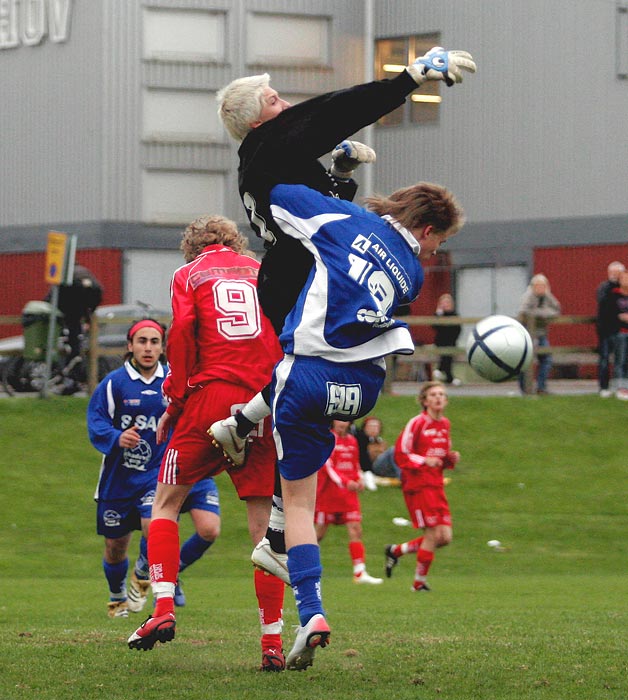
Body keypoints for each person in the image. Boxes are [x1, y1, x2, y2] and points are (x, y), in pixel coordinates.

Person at [210, 46, 476, 599]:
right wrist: (406, 79)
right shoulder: (265, 146)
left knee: (307, 400)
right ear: (257, 119)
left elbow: (326, 205)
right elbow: (331, 113)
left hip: (296, 279)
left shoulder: (272, 156)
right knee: (319, 403)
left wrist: (341, 173)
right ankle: (277, 528)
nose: (286, 105)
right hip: (297, 286)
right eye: (275, 99)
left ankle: (240, 431)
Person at [265, 179, 465, 669]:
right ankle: (284, 566)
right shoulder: (412, 276)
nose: (436, 250)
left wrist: (332, 189)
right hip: (359, 391)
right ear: (426, 228)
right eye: (440, 240)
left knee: (296, 502)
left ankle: (308, 607)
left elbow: (279, 194)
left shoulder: (347, 220)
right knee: (302, 486)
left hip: (307, 372)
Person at [127, 216, 287, 674]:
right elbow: (278, 330)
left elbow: (181, 334)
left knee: (165, 502)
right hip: (261, 398)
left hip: (210, 394)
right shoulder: (260, 270)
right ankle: (272, 641)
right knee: (263, 526)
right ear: (235, 242)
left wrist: (174, 402)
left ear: (191, 247)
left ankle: (162, 608)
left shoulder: (189, 273)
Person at [87, 320, 220, 619]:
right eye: (142, 341)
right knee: (115, 547)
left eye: (155, 342)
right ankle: (117, 596)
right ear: (130, 345)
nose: (148, 348)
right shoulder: (113, 384)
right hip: (120, 477)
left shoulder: (174, 380)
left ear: (163, 347)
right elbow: (96, 422)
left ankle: (151, 571)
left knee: (160, 523)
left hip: (160, 471)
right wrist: (116, 437)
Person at [384, 381, 460, 591]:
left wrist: (450, 459)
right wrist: (424, 461)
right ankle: (419, 582)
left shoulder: (445, 424)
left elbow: (441, 457)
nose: (438, 398)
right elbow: (402, 453)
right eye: (433, 394)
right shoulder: (418, 423)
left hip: (436, 484)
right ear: (425, 400)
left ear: (446, 401)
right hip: (418, 485)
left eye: (441, 395)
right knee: (432, 533)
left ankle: (396, 551)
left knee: (444, 538)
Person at [315, 420, 383, 585]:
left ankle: (359, 572)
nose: (342, 423)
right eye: (338, 419)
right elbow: (328, 465)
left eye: (345, 420)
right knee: (317, 534)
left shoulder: (352, 440)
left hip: (348, 495)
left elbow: (355, 463)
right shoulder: (328, 438)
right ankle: (298, 566)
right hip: (329, 493)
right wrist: (346, 482)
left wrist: (359, 478)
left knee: (355, 529)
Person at [517, 274, 561, 395]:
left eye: (543, 285)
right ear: (533, 286)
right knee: (525, 361)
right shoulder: (528, 296)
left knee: (546, 359)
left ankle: (541, 387)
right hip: (526, 334)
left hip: (541, 334)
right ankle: (524, 389)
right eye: (538, 285)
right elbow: (524, 311)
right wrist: (543, 313)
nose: (541, 288)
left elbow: (557, 309)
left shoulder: (547, 296)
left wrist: (542, 313)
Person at [596, 261, 625, 397]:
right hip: (606, 329)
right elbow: (604, 303)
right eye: (612, 273)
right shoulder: (605, 288)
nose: (614, 275)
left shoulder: (624, 289)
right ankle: (604, 387)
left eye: (617, 273)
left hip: (621, 330)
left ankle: (620, 387)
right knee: (604, 359)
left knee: (621, 360)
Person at [350, 416, 387, 491]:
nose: (373, 429)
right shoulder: (361, 439)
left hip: (382, 467)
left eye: (376, 427)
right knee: (393, 451)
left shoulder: (381, 441)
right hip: (373, 467)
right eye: (371, 426)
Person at [431, 293, 461, 385]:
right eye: (443, 303)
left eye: (447, 303)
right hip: (440, 341)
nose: (445, 305)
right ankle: (449, 377)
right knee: (445, 354)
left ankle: (441, 370)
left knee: (448, 354)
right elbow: (434, 326)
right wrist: (438, 314)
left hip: (451, 341)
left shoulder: (455, 315)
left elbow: (457, 329)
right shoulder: (439, 315)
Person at [608, 269, 628, 400]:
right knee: (619, 360)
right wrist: (620, 317)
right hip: (620, 332)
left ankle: (626, 387)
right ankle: (619, 388)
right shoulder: (613, 295)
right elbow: (609, 313)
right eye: (624, 278)